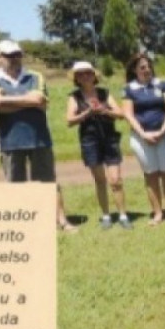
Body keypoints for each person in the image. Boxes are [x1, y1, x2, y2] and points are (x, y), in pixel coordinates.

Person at [0, 40, 76, 231]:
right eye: (9, 56)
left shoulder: (36, 76)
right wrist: (27, 101)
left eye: (17, 55)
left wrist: (5, 100)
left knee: (49, 183)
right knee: (15, 186)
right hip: (10, 141)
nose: (14, 59)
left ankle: (61, 221)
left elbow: (39, 100)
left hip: (39, 138)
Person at [66, 61, 130, 230]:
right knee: (100, 180)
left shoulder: (104, 93)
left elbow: (120, 114)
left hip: (109, 138)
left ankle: (123, 215)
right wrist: (87, 112)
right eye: (80, 74)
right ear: (76, 78)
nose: (85, 76)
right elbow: (70, 120)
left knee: (116, 180)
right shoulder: (74, 97)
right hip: (89, 140)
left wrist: (104, 110)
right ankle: (106, 216)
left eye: (88, 73)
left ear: (94, 75)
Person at [122, 53, 165, 228]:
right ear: (134, 70)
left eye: (148, 66)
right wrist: (143, 134)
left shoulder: (163, 85)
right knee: (151, 175)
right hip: (141, 138)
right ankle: (158, 213)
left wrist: (162, 130)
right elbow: (128, 114)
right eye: (142, 67)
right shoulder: (128, 89)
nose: (147, 70)